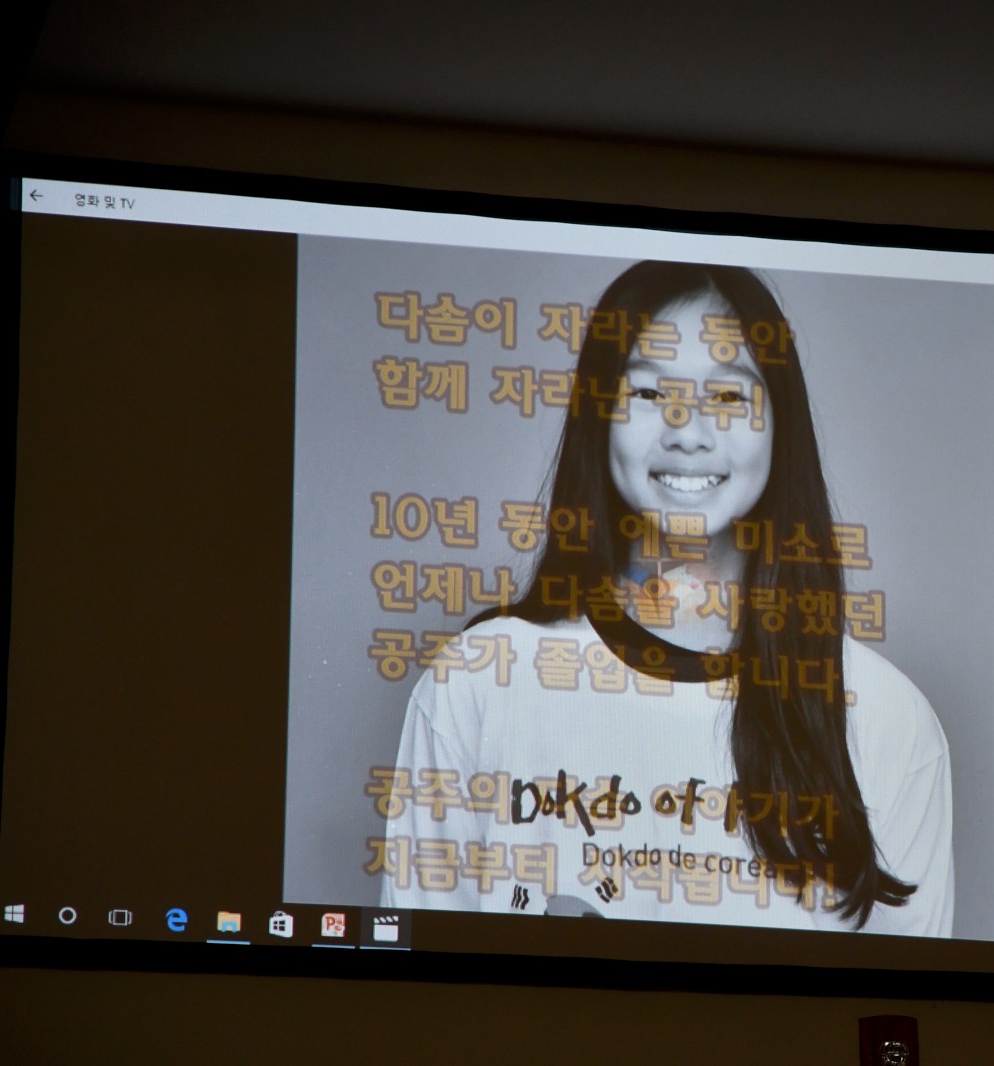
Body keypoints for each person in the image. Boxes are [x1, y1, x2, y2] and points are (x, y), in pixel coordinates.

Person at [380, 261, 953, 936]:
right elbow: (419, 984)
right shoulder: (478, 679)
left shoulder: (888, 716)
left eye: (729, 396)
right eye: (650, 392)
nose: (687, 431)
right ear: (599, 415)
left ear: (782, 424)